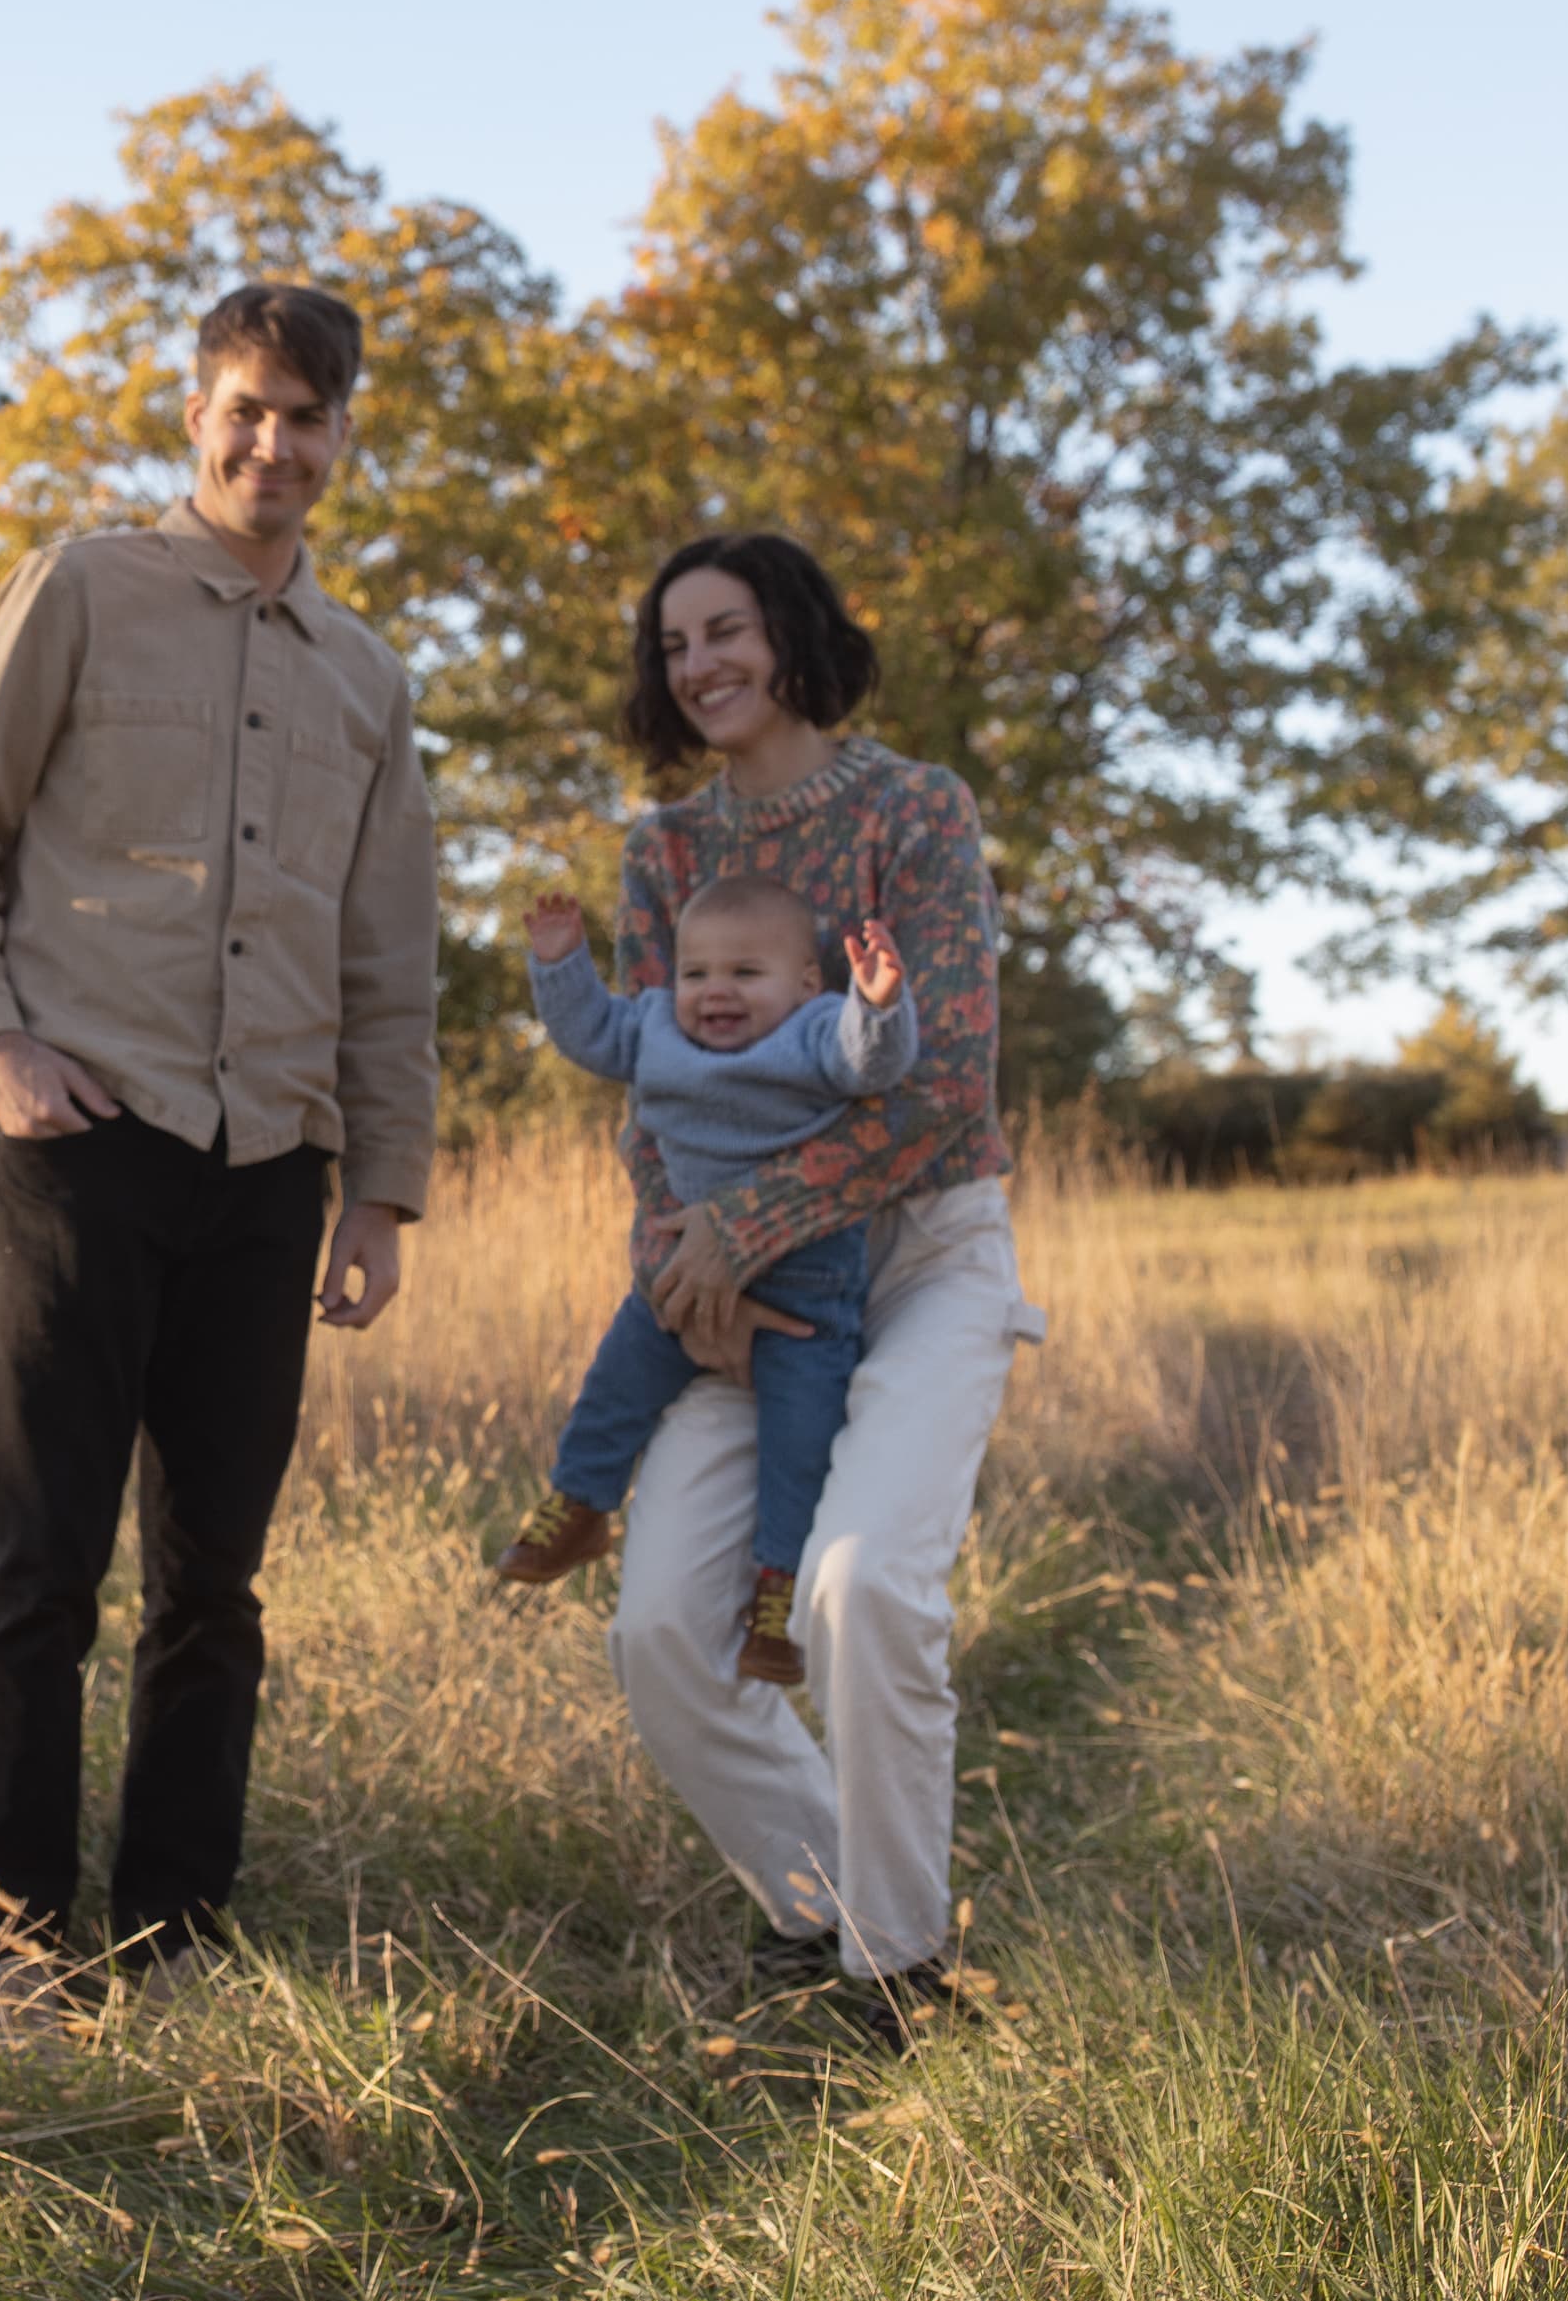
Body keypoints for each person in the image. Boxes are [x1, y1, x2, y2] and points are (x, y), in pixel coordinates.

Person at [0, 280, 439, 2023]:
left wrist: (383, 1185)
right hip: (88, 1136)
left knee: (216, 1578)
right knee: (41, 1556)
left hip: (271, 1166)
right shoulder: (78, 591)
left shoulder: (367, 679)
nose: (274, 444)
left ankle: (176, 1935)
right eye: (247, 409)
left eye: (308, 417)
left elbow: (387, 959)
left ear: (343, 439)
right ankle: (6, 1937)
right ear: (195, 412)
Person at [584, 531, 1038, 2049]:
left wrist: (752, 1215)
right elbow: (650, 1086)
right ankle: (822, 1904)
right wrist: (681, 1253)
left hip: (919, 1256)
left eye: (725, 631)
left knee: (858, 1585)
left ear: (788, 634)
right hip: (733, 1292)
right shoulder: (661, 853)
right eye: (674, 645)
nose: (699, 664)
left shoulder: (917, 812)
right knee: (662, 1635)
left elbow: (946, 1078)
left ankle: (900, 1978)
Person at [495, 877, 918, 1688]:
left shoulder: (816, 1031)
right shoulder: (655, 1026)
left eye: (745, 974)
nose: (715, 991)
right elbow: (589, 1033)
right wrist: (560, 964)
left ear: (805, 985)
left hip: (808, 1282)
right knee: (616, 1380)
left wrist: (878, 1004)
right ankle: (580, 1503)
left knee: (800, 1442)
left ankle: (778, 1597)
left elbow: (872, 1065)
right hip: (685, 1272)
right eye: (696, 974)